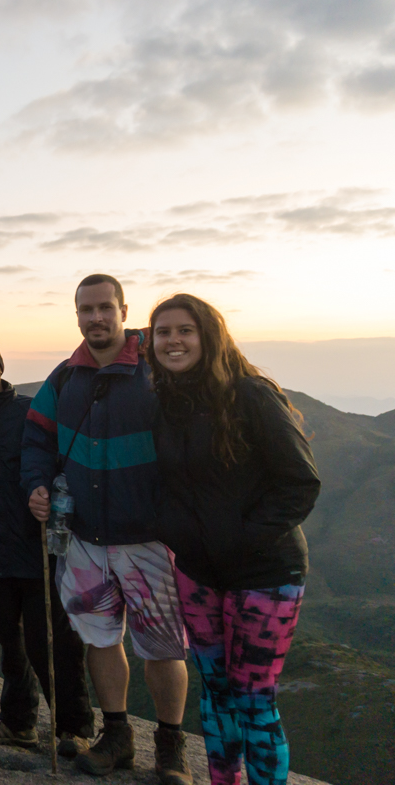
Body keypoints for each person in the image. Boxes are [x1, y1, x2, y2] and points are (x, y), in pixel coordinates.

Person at [22, 274, 192, 785]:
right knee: (100, 639)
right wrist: (35, 485)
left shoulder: (155, 370)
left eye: (104, 308)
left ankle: (171, 747)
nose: (95, 318)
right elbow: (35, 437)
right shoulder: (64, 378)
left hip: (148, 537)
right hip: (83, 537)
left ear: (122, 309)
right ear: (75, 315)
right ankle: (117, 736)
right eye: (85, 310)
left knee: (163, 645)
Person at [148, 294, 319, 785]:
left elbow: (300, 482)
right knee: (216, 693)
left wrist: (242, 540)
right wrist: (174, 531)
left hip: (265, 574)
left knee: (253, 697)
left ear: (209, 335)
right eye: (163, 332)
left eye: (185, 330)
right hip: (198, 573)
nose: (173, 340)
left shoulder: (251, 395)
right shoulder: (166, 402)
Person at [0, 334, 95, 751]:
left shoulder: (31, 411)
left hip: (37, 544)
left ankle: (76, 728)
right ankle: (18, 722)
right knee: (10, 643)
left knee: (51, 641)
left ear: (0, 365)